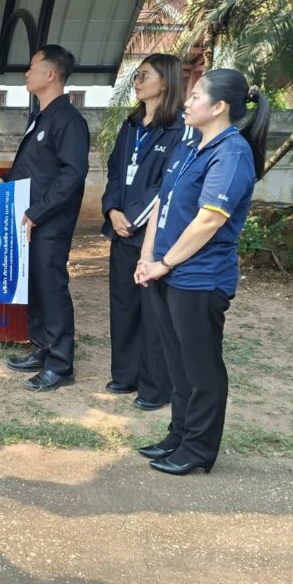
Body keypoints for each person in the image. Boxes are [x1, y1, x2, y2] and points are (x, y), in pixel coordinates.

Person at [134, 69, 270, 475]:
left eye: (196, 96)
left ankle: (197, 449)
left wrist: (165, 263)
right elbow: (162, 203)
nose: (187, 102)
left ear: (219, 106)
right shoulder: (191, 145)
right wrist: (147, 258)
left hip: (200, 278)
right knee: (177, 364)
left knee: (201, 368)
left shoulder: (231, 153)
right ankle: (178, 435)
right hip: (167, 271)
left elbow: (209, 220)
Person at [0, 45, 90, 392]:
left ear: (50, 74)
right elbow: (34, 167)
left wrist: (38, 212)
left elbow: (73, 174)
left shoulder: (68, 120)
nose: (27, 73)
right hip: (29, 220)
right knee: (34, 284)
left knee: (51, 287)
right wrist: (6, 180)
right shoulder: (42, 117)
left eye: (32, 67)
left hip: (49, 222)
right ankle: (43, 348)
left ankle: (61, 364)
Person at [101, 54, 191, 410]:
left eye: (144, 76)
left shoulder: (179, 129)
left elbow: (169, 184)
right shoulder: (131, 124)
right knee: (123, 305)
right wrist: (112, 210)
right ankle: (126, 375)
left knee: (153, 313)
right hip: (121, 229)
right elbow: (113, 170)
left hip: (151, 235)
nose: (137, 82)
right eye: (136, 76)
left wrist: (132, 218)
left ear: (165, 82)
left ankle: (155, 387)